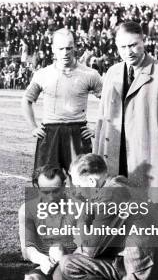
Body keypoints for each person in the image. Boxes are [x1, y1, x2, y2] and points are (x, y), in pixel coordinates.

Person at [36, 154, 158, 280]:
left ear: (90, 182)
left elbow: (91, 250)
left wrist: (83, 213)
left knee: (69, 263)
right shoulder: (119, 182)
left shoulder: (109, 196)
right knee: (71, 256)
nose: (77, 190)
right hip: (155, 263)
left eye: (78, 184)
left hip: (140, 271)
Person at [93, 20, 158, 225]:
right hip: (114, 155)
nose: (129, 51)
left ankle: (152, 253)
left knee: (150, 212)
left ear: (144, 41)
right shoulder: (112, 72)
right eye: (123, 47)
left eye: (134, 44)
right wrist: (97, 155)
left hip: (147, 155)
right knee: (114, 210)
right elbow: (102, 118)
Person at [21, 28, 102, 176]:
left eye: (69, 48)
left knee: (81, 183)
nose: (65, 53)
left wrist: (98, 129)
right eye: (61, 48)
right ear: (53, 49)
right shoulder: (43, 74)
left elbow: (110, 103)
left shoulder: (90, 74)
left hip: (78, 132)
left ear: (75, 48)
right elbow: (26, 100)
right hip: (50, 133)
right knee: (47, 182)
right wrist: (33, 127)